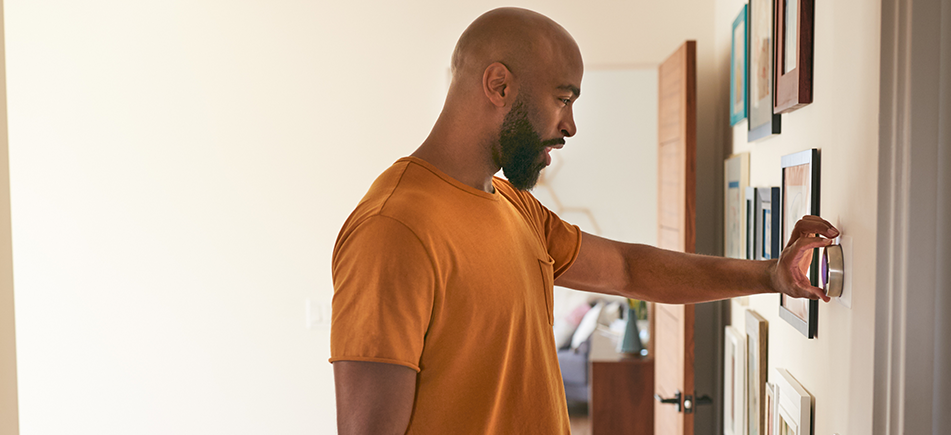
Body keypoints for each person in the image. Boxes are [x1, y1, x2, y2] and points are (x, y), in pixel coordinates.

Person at [329, 7, 837, 435]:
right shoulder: (393, 230)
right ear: (499, 85)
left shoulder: (512, 205)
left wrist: (769, 276)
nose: (570, 125)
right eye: (563, 98)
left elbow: (627, 268)